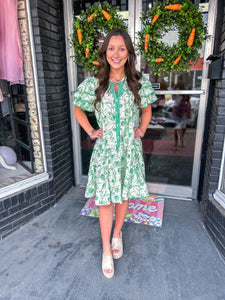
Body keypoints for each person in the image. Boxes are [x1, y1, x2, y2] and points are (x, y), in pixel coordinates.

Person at [73, 29, 157, 278]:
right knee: (105, 201)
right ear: (105, 52)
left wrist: (141, 129)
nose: (116, 54)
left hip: (129, 152)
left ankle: (118, 233)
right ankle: (106, 250)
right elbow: (78, 109)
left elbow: (147, 109)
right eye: (111, 48)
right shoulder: (94, 83)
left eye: (122, 48)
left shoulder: (138, 82)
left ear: (129, 53)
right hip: (106, 153)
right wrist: (91, 130)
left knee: (123, 196)